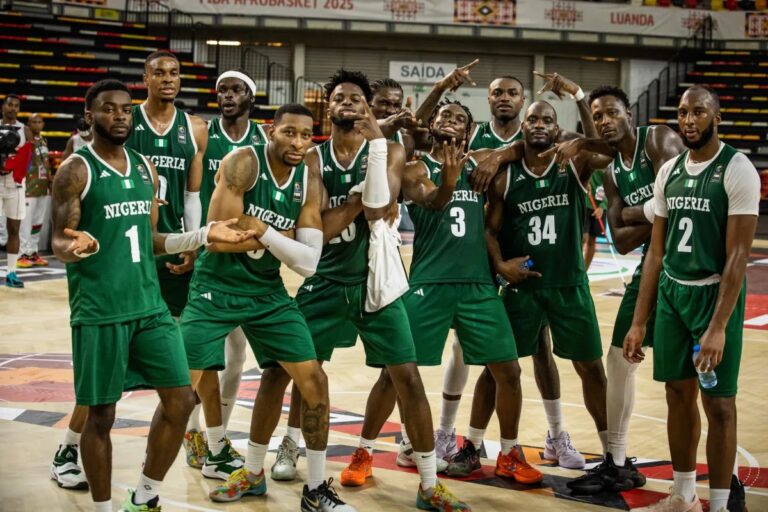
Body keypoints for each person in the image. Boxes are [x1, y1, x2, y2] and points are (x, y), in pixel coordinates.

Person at [50, 78, 254, 512]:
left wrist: (202, 235)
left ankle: (144, 497)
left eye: (125, 109)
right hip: (101, 310)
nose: (119, 116)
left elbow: (151, 239)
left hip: (149, 307)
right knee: (102, 415)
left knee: (180, 401)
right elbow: (58, 241)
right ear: (89, 115)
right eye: (109, 109)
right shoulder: (76, 169)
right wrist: (75, 245)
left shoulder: (145, 167)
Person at [280, 69, 469, 511]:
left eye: (356, 98)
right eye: (339, 97)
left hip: (378, 282)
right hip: (326, 279)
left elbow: (380, 207)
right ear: (328, 107)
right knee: (301, 375)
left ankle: (429, 484)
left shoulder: (392, 150)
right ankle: (289, 445)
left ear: (367, 107)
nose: (348, 103)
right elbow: (318, 230)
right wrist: (354, 204)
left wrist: (444, 182)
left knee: (408, 379)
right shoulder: (313, 159)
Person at [346, 99, 543, 488]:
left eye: (460, 119)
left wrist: (496, 156)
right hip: (428, 285)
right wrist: (451, 181)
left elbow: (522, 146)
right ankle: (363, 453)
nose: (451, 121)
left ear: (469, 133)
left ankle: (508, 453)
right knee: (394, 373)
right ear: (432, 125)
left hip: (477, 285)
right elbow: (432, 200)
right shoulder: (415, 169)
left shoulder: (480, 163)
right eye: (444, 116)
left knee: (509, 371)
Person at [180, 103, 357, 511]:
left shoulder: (307, 179)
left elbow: (309, 263)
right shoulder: (243, 163)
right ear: (271, 130)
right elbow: (218, 239)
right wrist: (284, 236)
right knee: (179, 392)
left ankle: (314, 489)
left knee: (314, 381)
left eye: (306, 135)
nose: (298, 142)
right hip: (216, 288)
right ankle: (147, 487)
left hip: (267, 294)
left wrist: (262, 229)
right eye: (289, 132)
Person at [623, 86, 759, 512]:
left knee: (719, 404)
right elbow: (655, 253)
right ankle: (682, 495)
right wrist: (639, 321)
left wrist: (718, 326)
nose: (688, 120)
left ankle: (718, 504)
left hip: (714, 296)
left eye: (698, 112)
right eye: (682, 112)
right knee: (677, 394)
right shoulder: (670, 171)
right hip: (672, 293)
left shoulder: (737, 169)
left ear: (716, 117)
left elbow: (738, 255)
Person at [556, 84, 684, 494]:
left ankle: (725, 478)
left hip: (691, 264)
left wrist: (638, 211)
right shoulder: (612, 172)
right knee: (618, 360)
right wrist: (653, 212)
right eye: (598, 116)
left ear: (629, 113)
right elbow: (622, 239)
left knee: (692, 378)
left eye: (612, 112)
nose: (605, 121)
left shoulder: (657, 139)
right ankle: (617, 462)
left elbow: (680, 201)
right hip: (651, 264)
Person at [478, 101, 609, 477]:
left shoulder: (574, 164)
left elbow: (607, 149)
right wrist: (501, 265)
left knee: (591, 368)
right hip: (523, 289)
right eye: (532, 119)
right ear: (523, 126)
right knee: (497, 368)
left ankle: (613, 454)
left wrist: (579, 106)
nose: (539, 124)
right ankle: (474, 443)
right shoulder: (505, 176)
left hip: (568, 286)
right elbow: (489, 230)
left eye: (547, 120)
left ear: (557, 129)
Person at [181, 68, 269, 472]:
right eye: (222, 90)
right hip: (207, 249)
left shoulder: (263, 140)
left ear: (250, 96)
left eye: (236, 90)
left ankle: (220, 434)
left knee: (236, 356)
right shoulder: (204, 133)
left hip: (245, 253)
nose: (228, 96)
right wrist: (193, 240)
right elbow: (191, 190)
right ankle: (192, 431)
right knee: (199, 354)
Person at [1, 94, 33, 288]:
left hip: (16, 184)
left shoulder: (25, 130)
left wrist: (15, 166)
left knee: (14, 228)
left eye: (16, 105)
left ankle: (11, 273)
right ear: (3, 107)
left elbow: (28, 158)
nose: (13, 108)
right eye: (10, 105)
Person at [18, 114, 52, 268]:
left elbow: (46, 163)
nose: (37, 124)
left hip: (42, 187)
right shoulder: (24, 141)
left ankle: (33, 252)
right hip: (29, 187)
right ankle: (22, 254)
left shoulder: (44, 140)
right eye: (34, 122)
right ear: (28, 124)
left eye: (39, 122)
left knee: (37, 223)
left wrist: (49, 182)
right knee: (26, 223)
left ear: (43, 124)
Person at [582, 170, 606, 270]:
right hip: (585, 202)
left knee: (592, 240)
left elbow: (612, 186)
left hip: (599, 205)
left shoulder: (611, 165)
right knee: (583, 238)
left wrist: (603, 206)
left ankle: (584, 272)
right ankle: (577, 269)